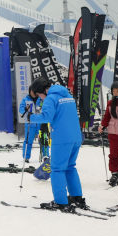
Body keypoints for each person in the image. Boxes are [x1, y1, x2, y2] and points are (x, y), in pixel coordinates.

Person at [29, 79, 85, 211]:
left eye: (39, 95)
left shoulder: (50, 98)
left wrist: (30, 117)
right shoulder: (67, 95)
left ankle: (60, 202)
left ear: (43, 90)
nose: (40, 98)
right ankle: (76, 197)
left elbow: (47, 117)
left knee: (57, 169)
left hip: (62, 138)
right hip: (76, 137)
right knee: (70, 167)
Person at [99, 80, 118, 186]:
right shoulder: (110, 103)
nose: (115, 93)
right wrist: (103, 125)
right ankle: (114, 174)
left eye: (117, 91)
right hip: (113, 132)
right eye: (113, 91)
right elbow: (107, 117)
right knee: (114, 155)